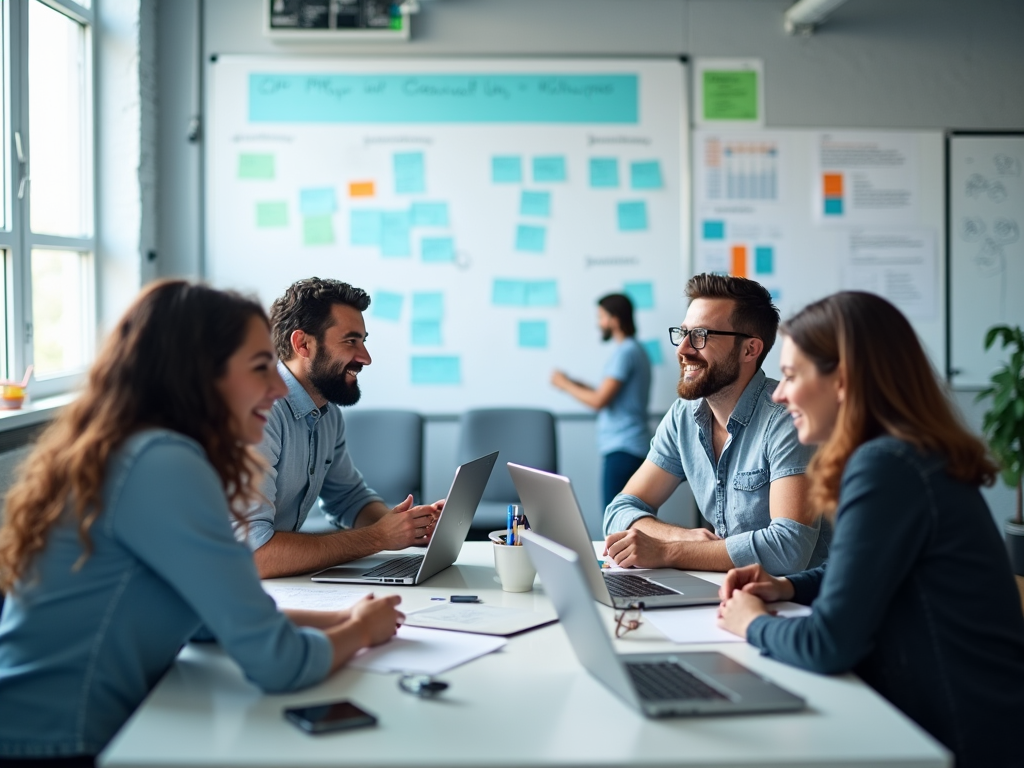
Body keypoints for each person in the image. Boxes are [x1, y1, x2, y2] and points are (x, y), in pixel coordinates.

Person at [0, 281, 403, 765]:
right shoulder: (165, 465)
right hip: (56, 742)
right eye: (259, 369)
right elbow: (277, 662)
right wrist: (359, 633)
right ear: (199, 376)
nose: (278, 387)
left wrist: (346, 618)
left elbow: (210, 618)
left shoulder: (142, 450)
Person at [717, 291, 1024, 768]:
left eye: (793, 376)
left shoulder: (887, 466)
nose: (778, 392)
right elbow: (853, 574)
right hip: (944, 718)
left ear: (843, 381)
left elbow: (828, 645)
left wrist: (751, 623)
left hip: (959, 738)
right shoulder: (901, 456)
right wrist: (784, 587)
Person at [603, 273, 825, 575]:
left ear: (750, 350)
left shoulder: (787, 419)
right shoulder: (684, 414)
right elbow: (620, 509)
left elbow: (788, 550)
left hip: (797, 605)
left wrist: (669, 551)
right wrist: (683, 536)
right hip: (728, 591)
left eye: (701, 336)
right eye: (682, 334)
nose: (682, 349)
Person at [242, 277, 442, 579]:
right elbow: (256, 556)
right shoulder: (258, 412)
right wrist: (379, 538)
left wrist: (406, 526)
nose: (365, 358)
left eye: (363, 341)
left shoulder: (327, 412)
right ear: (303, 344)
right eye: (350, 341)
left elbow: (348, 498)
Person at [551, 293, 652, 509]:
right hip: (630, 446)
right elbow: (607, 393)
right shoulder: (636, 350)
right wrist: (572, 382)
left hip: (623, 448)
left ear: (615, 319)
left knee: (615, 519)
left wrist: (564, 384)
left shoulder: (625, 352)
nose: (598, 323)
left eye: (601, 317)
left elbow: (599, 401)